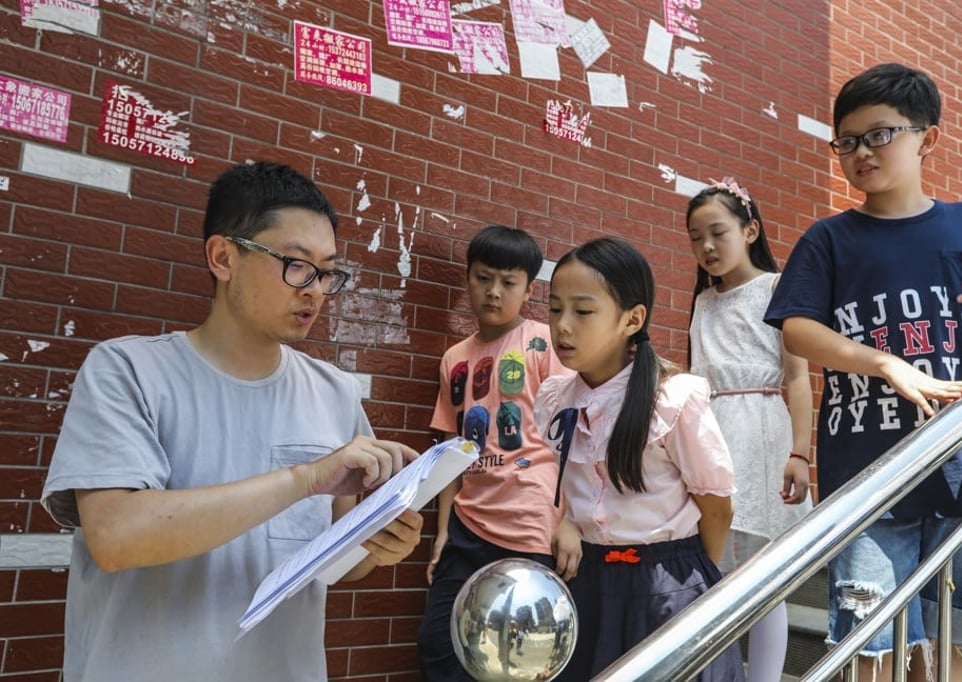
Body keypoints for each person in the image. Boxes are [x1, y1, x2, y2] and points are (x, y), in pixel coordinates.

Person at [40, 161, 424, 682]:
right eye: (295, 264)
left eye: (327, 271)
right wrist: (303, 479)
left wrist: (377, 545)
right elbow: (114, 536)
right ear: (224, 257)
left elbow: (331, 560)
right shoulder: (128, 370)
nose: (314, 289)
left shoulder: (334, 392)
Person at [764, 63, 962, 680]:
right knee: (871, 647)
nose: (860, 152)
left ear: (926, 138)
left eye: (879, 135)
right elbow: (797, 329)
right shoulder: (830, 238)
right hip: (868, 472)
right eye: (846, 141)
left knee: (955, 641)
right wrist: (885, 365)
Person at [535, 237, 745, 681]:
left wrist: (685, 577)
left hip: (667, 586)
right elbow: (549, 484)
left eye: (582, 311)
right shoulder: (555, 398)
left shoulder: (672, 399)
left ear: (632, 319)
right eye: (555, 309)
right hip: (586, 583)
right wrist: (566, 522)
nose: (563, 326)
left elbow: (717, 506)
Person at [417, 224, 567, 681]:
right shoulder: (454, 358)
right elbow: (450, 451)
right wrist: (442, 532)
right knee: (441, 647)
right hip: (467, 525)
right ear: (468, 279)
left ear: (529, 289)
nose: (494, 292)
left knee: (518, 660)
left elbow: (577, 439)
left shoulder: (544, 344)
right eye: (483, 278)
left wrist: (573, 522)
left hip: (532, 524)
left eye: (508, 282)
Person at [687, 177, 813, 682]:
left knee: (763, 577)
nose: (707, 247)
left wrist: (800, 453)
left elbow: (799, 378)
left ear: (751, 229)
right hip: (708, 434)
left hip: (762, 432)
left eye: (718, 232)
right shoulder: (701, 303)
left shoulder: (777, 289)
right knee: (709, 569)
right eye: (696, 238)